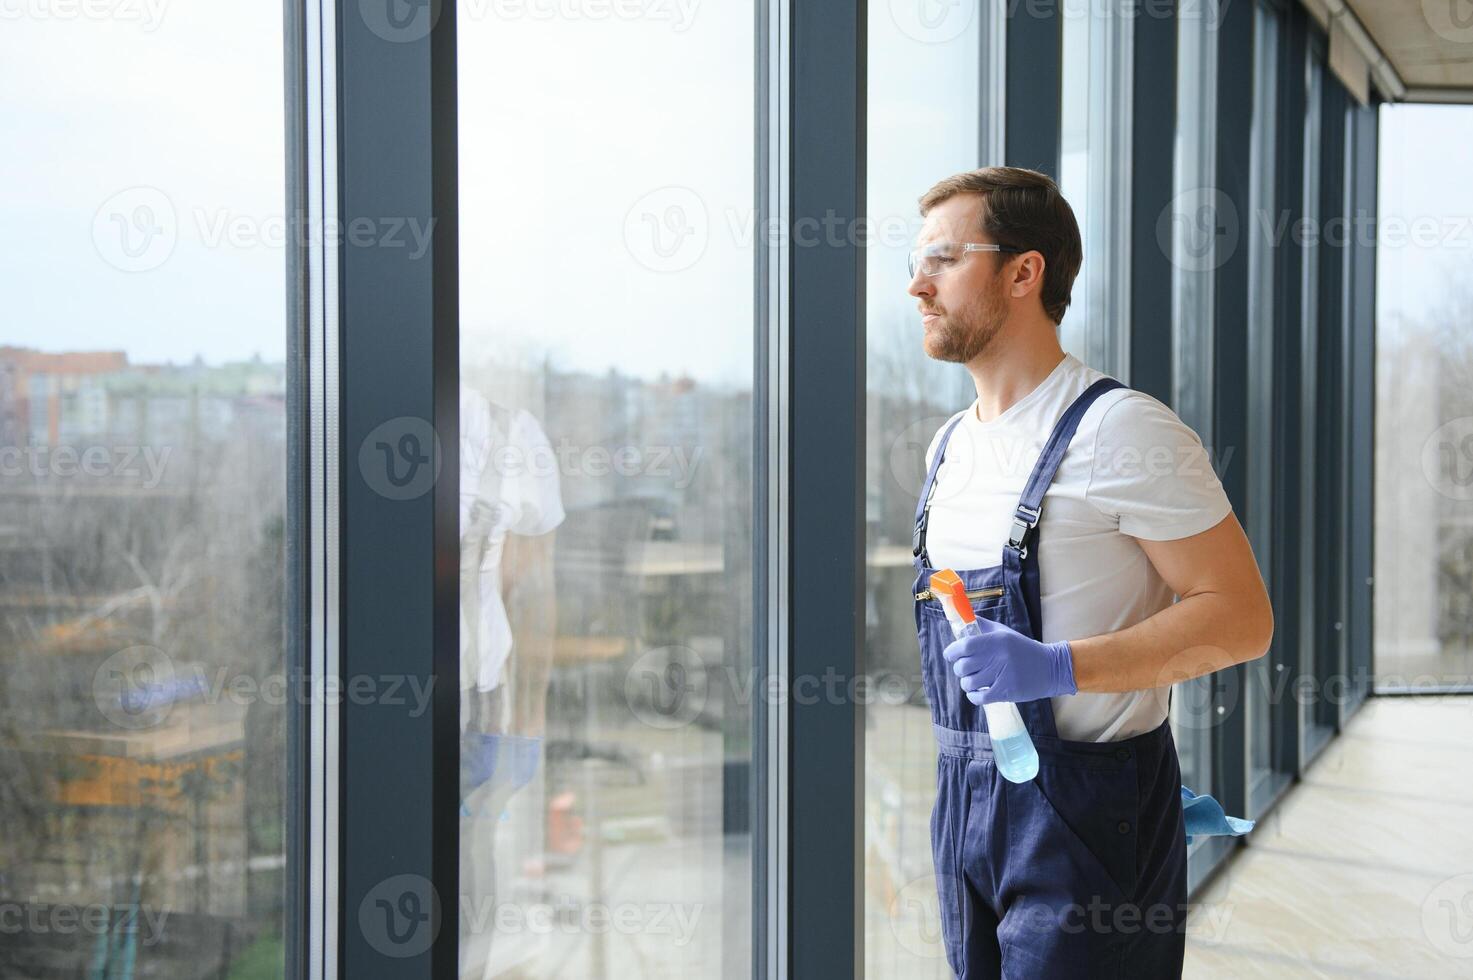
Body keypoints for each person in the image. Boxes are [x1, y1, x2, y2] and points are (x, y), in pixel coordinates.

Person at [906, 166, 1272, 978]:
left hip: (1088, 820)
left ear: (1022, 271)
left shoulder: (1118, 430)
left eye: (940, 259)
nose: (915, 286)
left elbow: (1241, 617)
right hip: (963, 807)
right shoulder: (947, 449)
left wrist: (1057, 668)